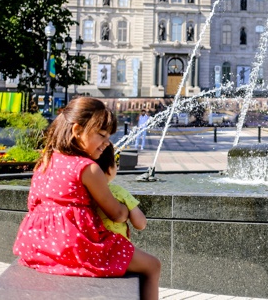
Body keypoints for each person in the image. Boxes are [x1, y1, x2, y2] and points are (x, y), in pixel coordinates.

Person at [12, 97, 161, 300]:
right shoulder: (87, 168)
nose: (107, 143)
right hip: (75, 248)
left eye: (108, 136)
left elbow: (34, 205)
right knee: (153, 265)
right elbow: (116, 214)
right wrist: (127, 209)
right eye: (101, 135)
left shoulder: (45, 161)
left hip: (37, 245)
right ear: (77, 130)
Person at [95, 144, 146, 239]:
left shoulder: (83, 191)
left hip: (91, 246)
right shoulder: (118, 192)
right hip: (117, 247)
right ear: (110, 169)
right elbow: (140, 224)